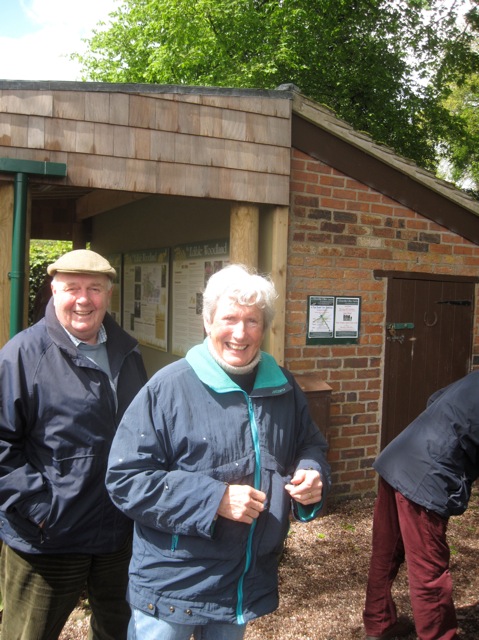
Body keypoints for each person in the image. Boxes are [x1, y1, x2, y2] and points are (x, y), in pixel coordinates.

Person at [106, 263, 331, 640]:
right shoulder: (169, 388)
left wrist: (312, 472)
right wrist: (214, 500)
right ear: (208, 322)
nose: (240, 333)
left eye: (253, 321)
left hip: (241, 584)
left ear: (264, 327)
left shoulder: (283, 387)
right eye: (229, 318)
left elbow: (309, 443)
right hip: (173, 588)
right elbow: (126, 479)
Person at [0, 249, 148, 640]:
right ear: (53, 291)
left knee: (120, 631)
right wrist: (40, 509)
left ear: (109, 294)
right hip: (48, 538)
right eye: (72, 288)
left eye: (94, 289)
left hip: (118, 533)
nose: (84, 299)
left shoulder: (128, 353)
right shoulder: (22, 355)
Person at [363, 370, 479, 640]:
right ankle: (438, 636)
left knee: (386, 551)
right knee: (429, 569)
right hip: (425, 476)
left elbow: (434, 399)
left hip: (398, 458)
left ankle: (379, 624)